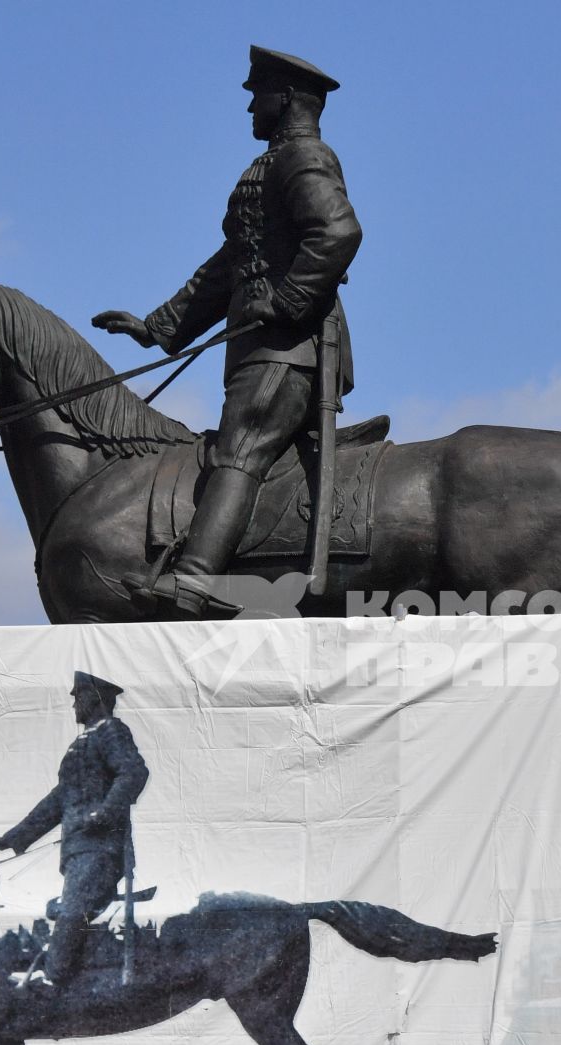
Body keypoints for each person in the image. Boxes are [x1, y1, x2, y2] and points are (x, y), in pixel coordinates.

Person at [92, 46, 362, 617]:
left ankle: (194, 581)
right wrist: (160, 326)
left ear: (284, 98)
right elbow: (231, 265)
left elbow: (337, 233)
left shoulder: (304, 159)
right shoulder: (275, 163)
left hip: (289, 352)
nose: (249, 108)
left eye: (256, 95)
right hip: (261, 347)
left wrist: (289, 301)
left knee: (240, 450)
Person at [0, 672, 149, 989]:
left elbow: (133, 772)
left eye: (78, 696)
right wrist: (12, 838)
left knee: (72, 908)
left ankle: (53, 978)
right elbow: (58, 800)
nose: (73, 704)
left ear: (95, 697)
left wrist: (106, 811)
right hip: (79, 850)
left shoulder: (111, 731)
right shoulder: (80, 745)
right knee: (69, 909)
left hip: (102, 849)